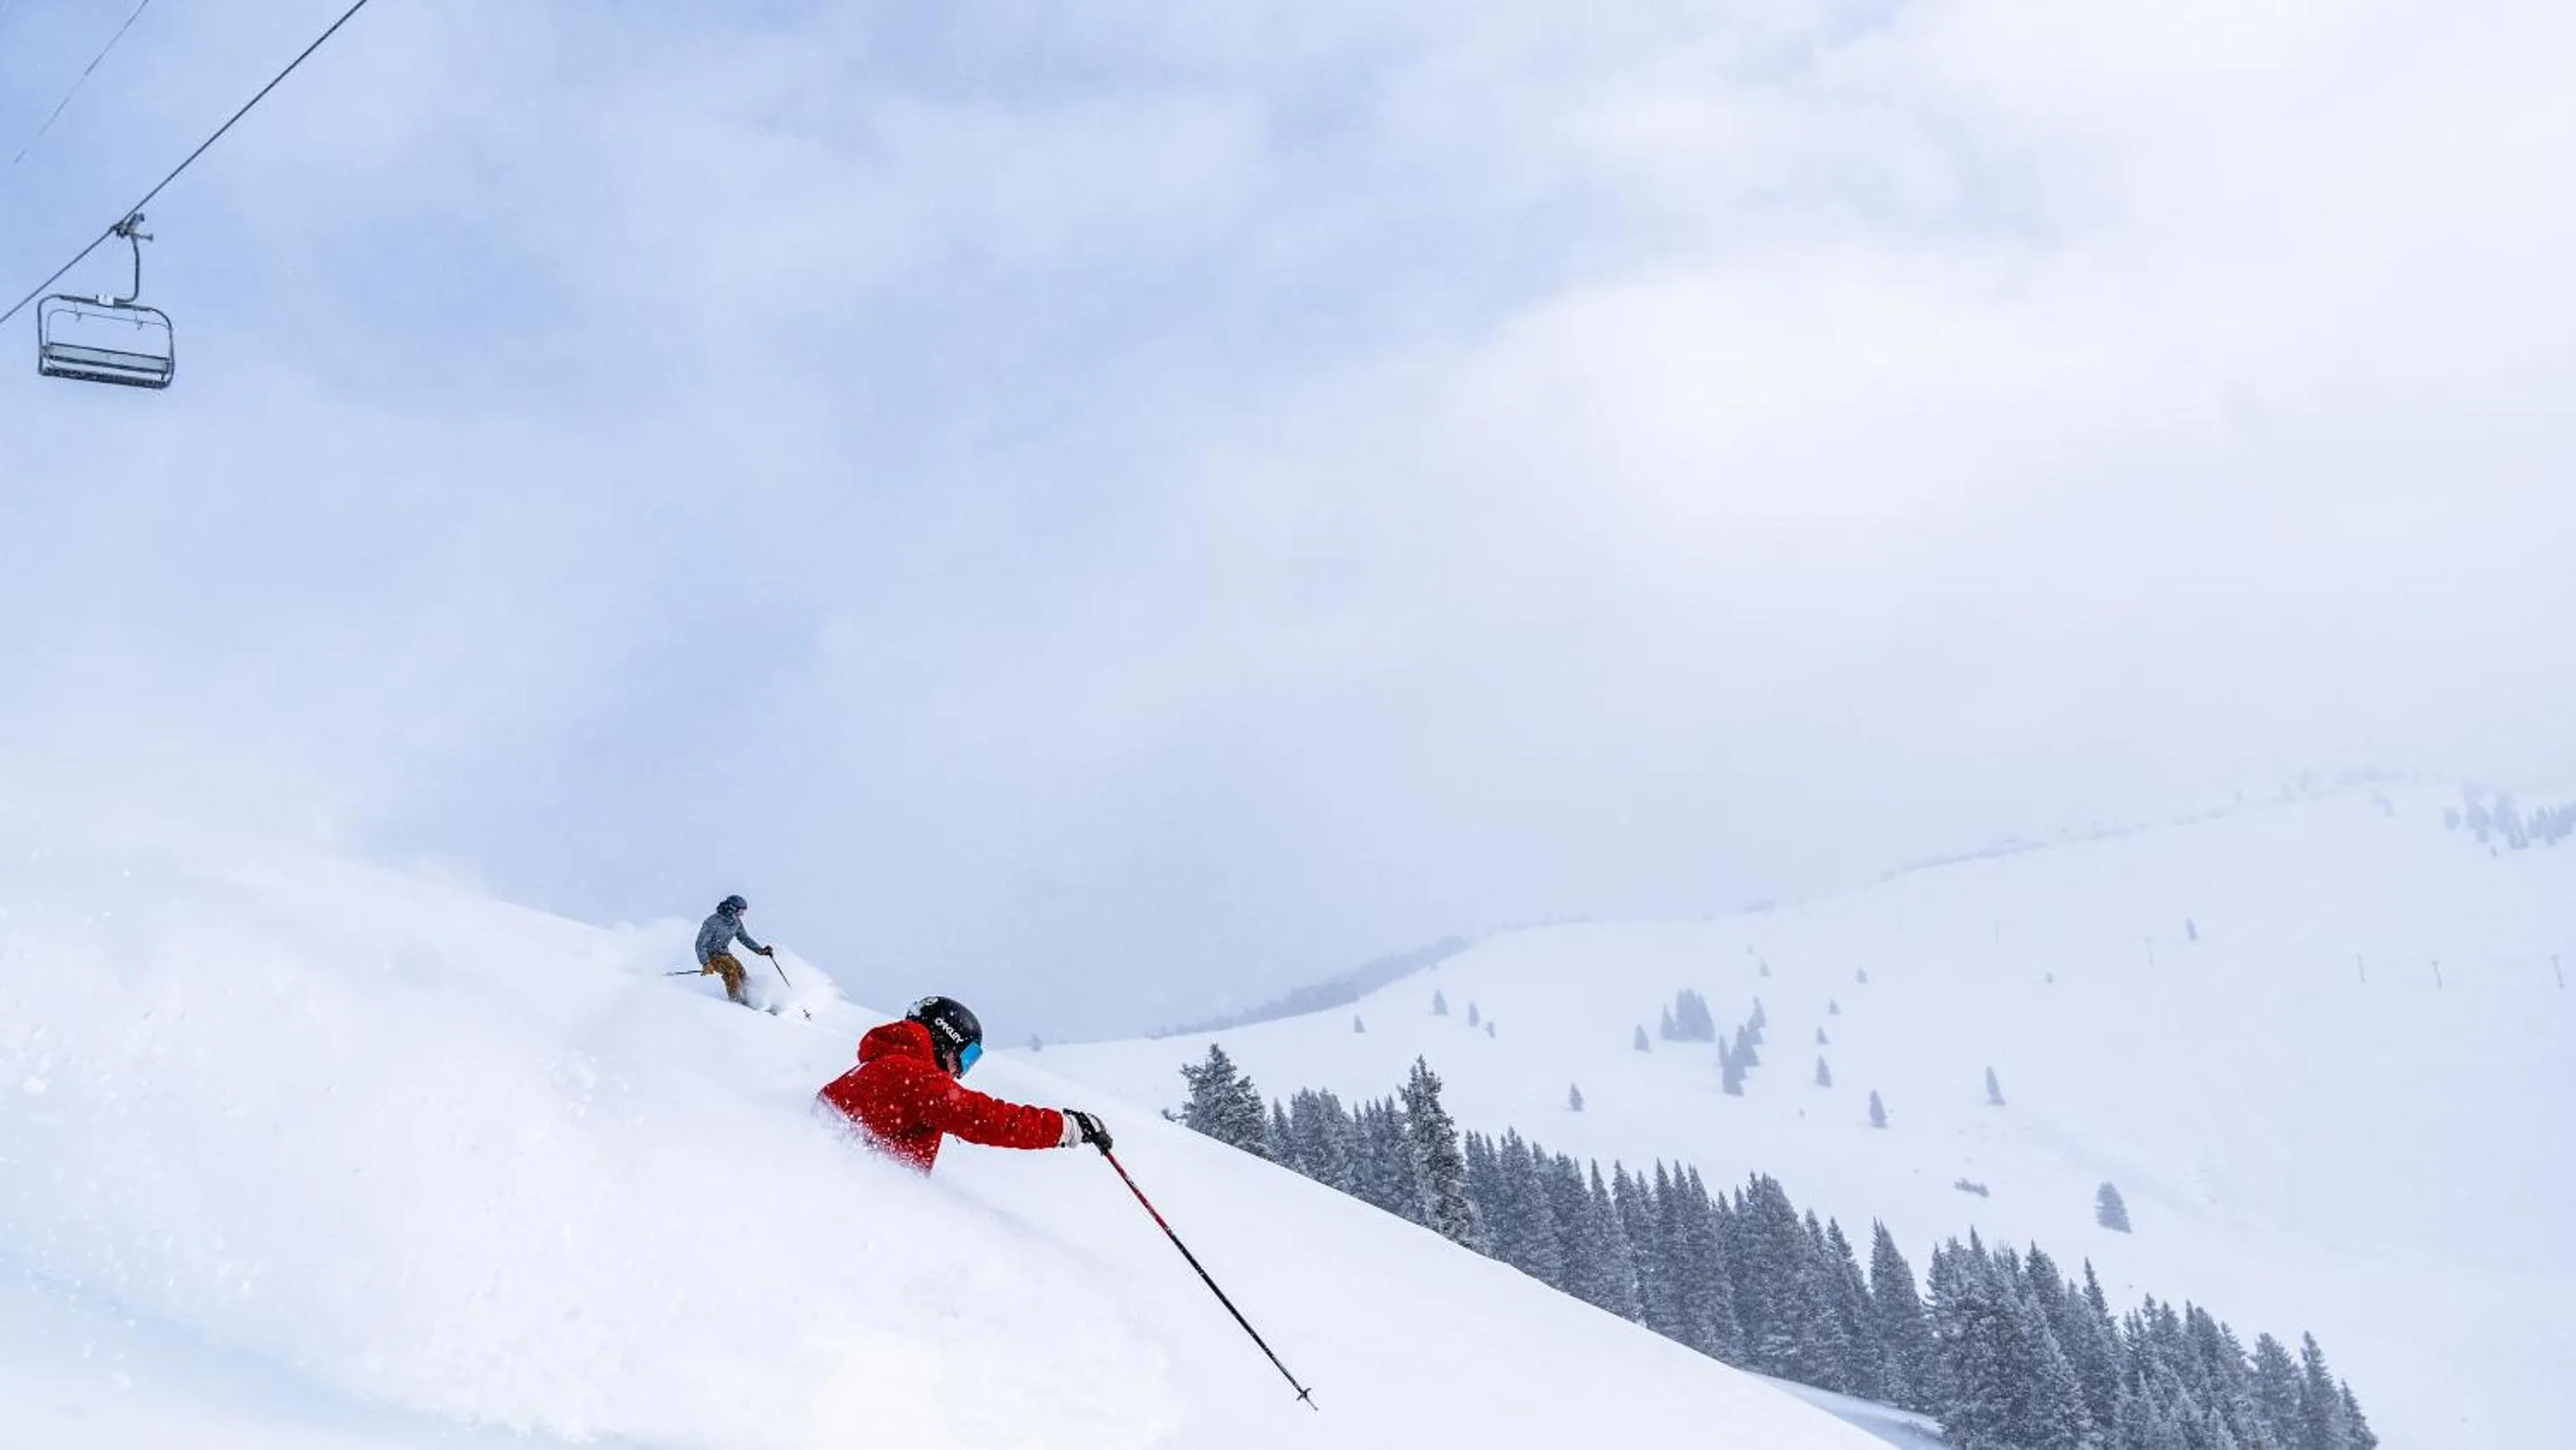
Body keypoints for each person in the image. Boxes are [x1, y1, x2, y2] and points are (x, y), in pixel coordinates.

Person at [817, 995, 1111, 1173]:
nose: (960, 1073)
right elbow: (982, 1117)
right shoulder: (912, 1075)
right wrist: (1064, 1127)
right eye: (966, 1057)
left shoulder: (885, 1065)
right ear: (944, 1037)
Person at [694, 894, 773, 1007]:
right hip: (711, 955)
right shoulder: (712, 922)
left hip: (724, 953)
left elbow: (744, 938)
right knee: (730, 969)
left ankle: (750, 998)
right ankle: (735, 1001)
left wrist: (760, 950)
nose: (742, 914)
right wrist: (706, 963)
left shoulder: (736, 922)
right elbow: (700, 945)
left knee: (741, 972)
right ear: (732, 908)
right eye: (741, 911)